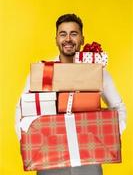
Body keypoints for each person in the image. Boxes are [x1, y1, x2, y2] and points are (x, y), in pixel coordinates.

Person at [15, 14, 126, 175]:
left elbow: (118, 107)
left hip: (89, 161)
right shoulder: (42, 73)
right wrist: (31, 141)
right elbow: (21, 110)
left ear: (82, 39)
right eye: (63, 34)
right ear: (56, 39)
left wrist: (106, 137)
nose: (68, 39)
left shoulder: (97, 72)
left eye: (74, 34)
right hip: (49, 161)